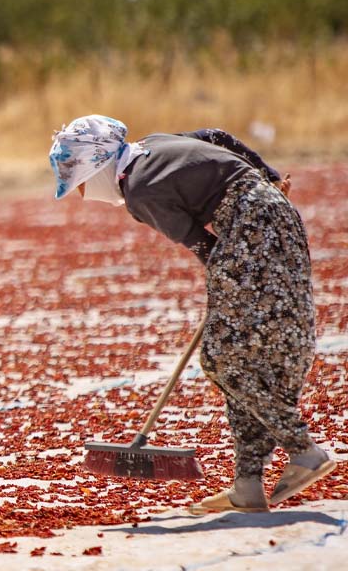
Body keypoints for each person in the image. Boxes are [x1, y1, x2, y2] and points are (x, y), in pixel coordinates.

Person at [49, 115, 335, 514]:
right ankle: (248, 483)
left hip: (250, 229)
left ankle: (303, 449)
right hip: (277, 219)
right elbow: (217, 137)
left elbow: (204, 245)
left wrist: (227, 286)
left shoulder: (139, 192)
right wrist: (268, 178)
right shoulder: (156, 144)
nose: (81, 193)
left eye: (78, 182)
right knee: (252, 352)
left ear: (94, 167)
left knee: (221, 358)